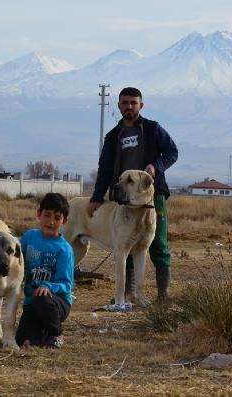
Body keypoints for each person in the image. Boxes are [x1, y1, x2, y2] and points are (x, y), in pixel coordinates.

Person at [88, 87, 178, 302]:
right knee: (125, 243)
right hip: (123, 199)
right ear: (118, 105)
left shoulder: (153, 129)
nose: (129, 106)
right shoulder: (112, 137)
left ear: (141, 105)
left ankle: (163, 295)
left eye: (133, 103)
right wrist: (97, 197)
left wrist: (157, 166)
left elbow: (172, 152)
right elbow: (104, 169)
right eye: (125, 102)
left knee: (158, 244)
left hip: (151, 198)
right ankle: (128, 293)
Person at [15, 192, 74, 348]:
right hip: (31, 303)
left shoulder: (64, 249)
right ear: (39, 214)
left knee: (42, 298)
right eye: (47, 215)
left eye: (57, 218)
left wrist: (47, 286)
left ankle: (56, 333)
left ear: (64, 221)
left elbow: (66, 285)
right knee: (24, 341)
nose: (51, 221)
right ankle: (42, 331)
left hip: (55, 303)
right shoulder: (29, 237)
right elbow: (16, 261)